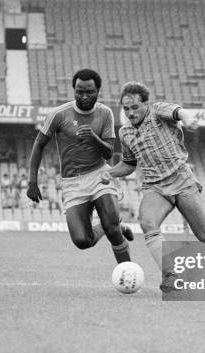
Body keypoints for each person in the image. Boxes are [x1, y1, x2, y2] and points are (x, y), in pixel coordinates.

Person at [101, 82, 205, 291]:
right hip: (155, 187)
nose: (130, 112)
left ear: (146, 104)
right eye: (126, 109)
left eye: (135, 107)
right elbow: (129, 164)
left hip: (181, 180)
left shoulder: (157, 111)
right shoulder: (124, 132)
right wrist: (110, 172)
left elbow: (178, 111)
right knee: (147, 222)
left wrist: (188, 120)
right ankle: (171, 275)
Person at [27, 68, 133, 264]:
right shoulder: (58, 115)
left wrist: (93, 139)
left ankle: (128, 272)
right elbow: (39, 145)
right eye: (79, 91)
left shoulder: (105, 113)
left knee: (112, 231)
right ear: (74, 90)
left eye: (89, 92)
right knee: (83, 241)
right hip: (72, 183)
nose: (84, 96)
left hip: (99, 175)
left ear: (98, 91)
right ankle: (116, 224)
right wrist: (32, 182)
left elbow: (108, 152)